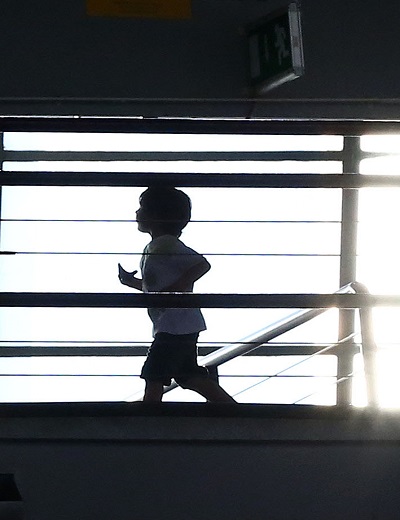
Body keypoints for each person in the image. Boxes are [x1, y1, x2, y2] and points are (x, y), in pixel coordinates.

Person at [118, 187, 236, 403]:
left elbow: (201, 264)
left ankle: (149, 411)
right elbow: (156, 288)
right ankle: (230, 408)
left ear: (157, 215)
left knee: (154, 371)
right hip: (178, 323)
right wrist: (132, 282)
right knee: (188, 375)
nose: (137, 212)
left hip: (175, 324)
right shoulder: (155, 246)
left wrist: (176, 289)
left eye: (142, 208)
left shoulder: (166, 244)